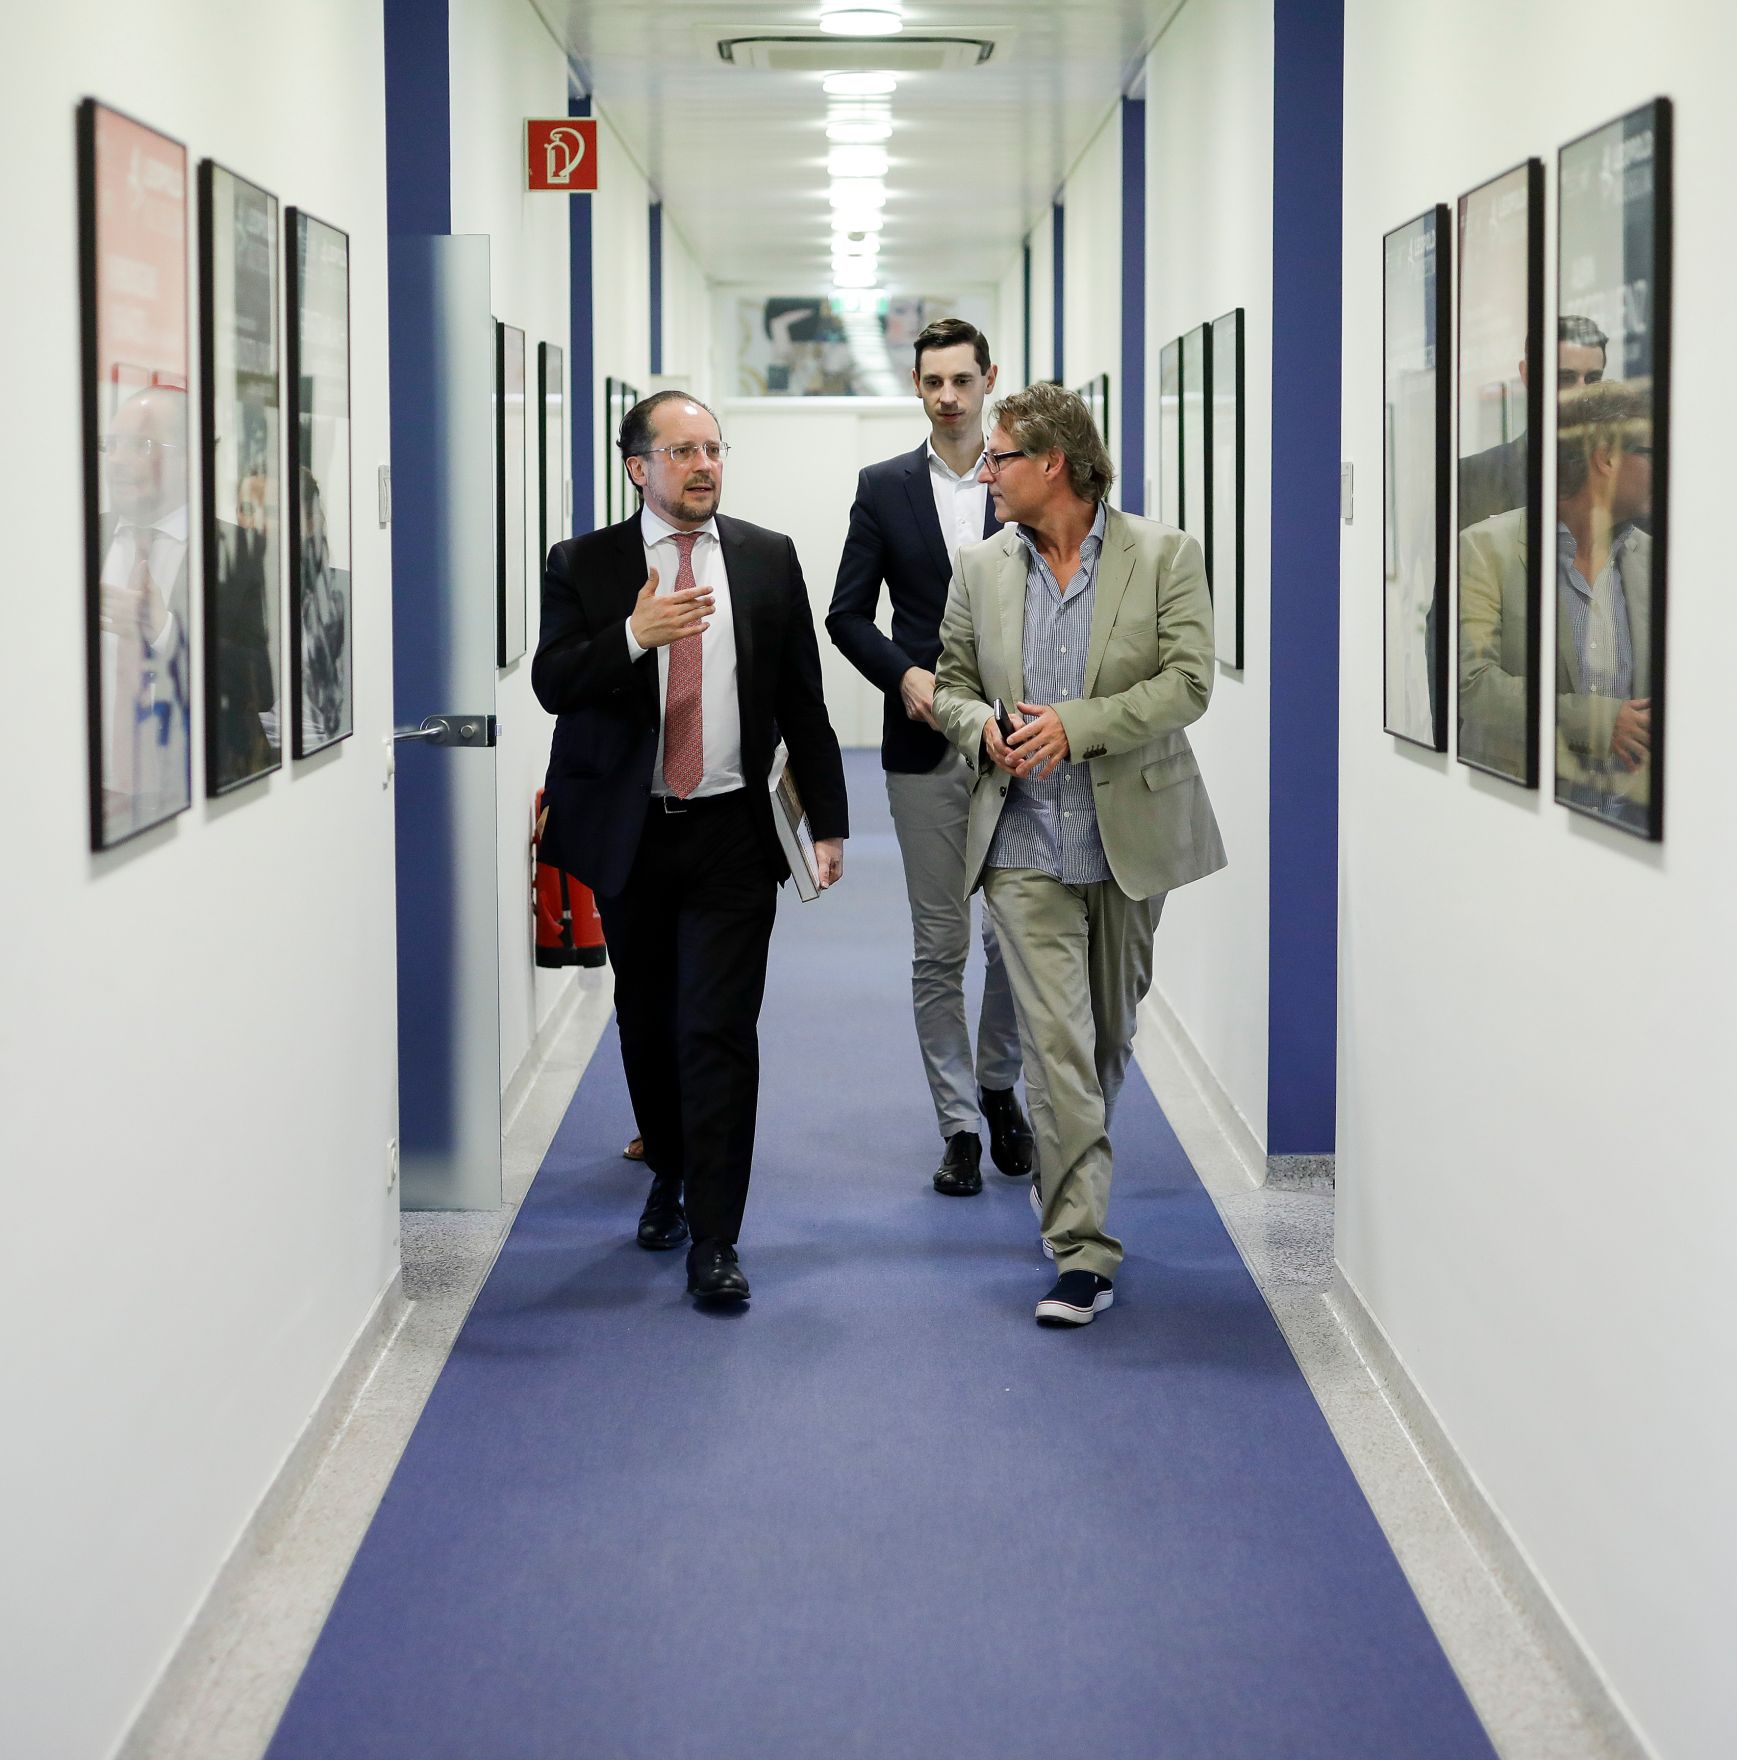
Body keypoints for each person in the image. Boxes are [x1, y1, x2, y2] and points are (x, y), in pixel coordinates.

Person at [533, 391, 849, 1305]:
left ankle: (716, 1239)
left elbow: (801, 699)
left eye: (713, 448)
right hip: (630, 831)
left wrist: (827, 821)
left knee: (717, 1029)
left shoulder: (765, 557)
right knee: (647, 1019)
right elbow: (554, 683)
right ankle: (666, 1168)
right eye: (682, 451)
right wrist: (634, 636)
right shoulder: (584, 564)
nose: (704, 465)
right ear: (639, 468)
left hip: (729, 833)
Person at [932, 382, 1226, 1326]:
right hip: (1020, 840)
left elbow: (1187, 684)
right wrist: (980, 728)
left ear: (1052, 463)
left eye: (1000, 458)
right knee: (1055, 1046)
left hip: (1128, 840)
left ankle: (1062, 1177)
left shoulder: (1163, 555)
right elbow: (950, 684)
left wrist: (1077, 725)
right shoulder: (981, 568)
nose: (985, 473)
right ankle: (1081, 1248)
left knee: (1103, 1042)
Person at [827, 317, 1034, 1198]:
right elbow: (844, 614)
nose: (948, 396)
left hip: (1020, 740)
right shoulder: (884, 487)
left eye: (962, 380)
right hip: (922, 741)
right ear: (916, 386)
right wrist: (903, 674)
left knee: (1014, 936)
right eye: (932, 381)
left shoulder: (1026, 473)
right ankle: (956, 1125)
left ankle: (998, 1085)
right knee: (940, 943)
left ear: (988, 379)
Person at [1459, 379, 1654, 828]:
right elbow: (1472, 686)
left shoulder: (1652, 560)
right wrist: (1599, 722)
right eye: (1651, 453)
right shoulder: (1485, 549)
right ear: (1607, 457)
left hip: (1632, 832)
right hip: (1523, 822)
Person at [96, 384, 192, 844]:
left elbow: (260, 684)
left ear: (187, 458)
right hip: (89, 790)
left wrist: (166, 633)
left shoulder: (238, 551)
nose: (116, 460)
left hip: (190, 800)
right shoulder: (78, 538)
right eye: (112, 444)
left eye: (142, 445)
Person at [1458, 315, 1607, 531]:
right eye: (1565, 378)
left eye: (1593, 379)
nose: (1582, 392)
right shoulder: (1470, 477)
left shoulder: (1624, 476)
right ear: (1527, 375)